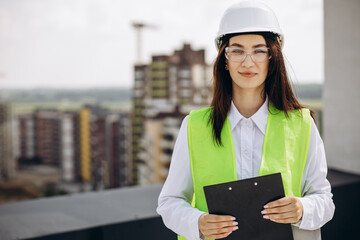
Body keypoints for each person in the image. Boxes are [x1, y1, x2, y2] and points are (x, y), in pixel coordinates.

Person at [157, 1, 335, 240]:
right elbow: (170, 202)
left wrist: (303, 208)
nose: (248, 62)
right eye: (237, 50)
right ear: (225, 59)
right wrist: (197, 222)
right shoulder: (195, 126)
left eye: (259, 51)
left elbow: (324, 201)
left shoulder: (301, 124)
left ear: (272, 58)